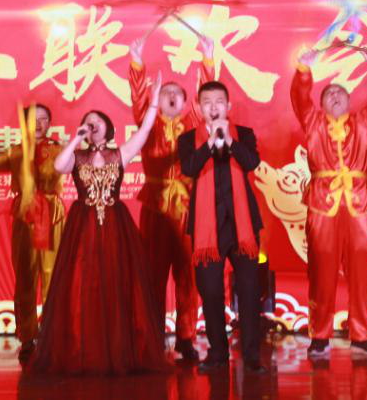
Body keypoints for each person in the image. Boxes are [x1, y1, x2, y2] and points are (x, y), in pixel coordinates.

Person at [29, 74, 173, 375]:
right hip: (82, 227)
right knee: (81, 283)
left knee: (116, 282)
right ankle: (81, 349)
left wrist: (153, 101)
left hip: (114, 226)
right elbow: (59, 166)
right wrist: (76, 138)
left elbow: (145, 131)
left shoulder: (120, 153)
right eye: (88, 121)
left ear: (108, 127)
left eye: (97, 121)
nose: (92, 124)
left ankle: (117, 349)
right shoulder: (77, 155)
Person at [292, 46, 367, 359]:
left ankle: (362, 335)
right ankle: (320, 336)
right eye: (328, 94)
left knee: (361, 272)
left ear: (349, 101)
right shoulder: (313, 123)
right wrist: (303, 71)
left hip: (358, 203)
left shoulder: (363, 122)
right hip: (323, 203)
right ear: (320, 105)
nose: (334, 96)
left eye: (340, 93)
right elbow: (299, 99)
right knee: (322, 271)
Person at [128, 35, 215, 361]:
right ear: (157, 99)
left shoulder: (193, 122)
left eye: (178, 93)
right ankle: (151, 335)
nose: (173, 97)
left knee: (187, 274)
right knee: (153, 273)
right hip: (155, 205)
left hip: (188, 207)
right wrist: (137, 62)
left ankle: (186, 337)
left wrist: (207, 58)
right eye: (166, 93)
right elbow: (139, 98)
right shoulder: (147, 123)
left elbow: (206, 96)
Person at [178, 81, 265, 373]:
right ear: (199, 108)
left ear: (228, 106)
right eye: (207, 102)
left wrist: (228, 140)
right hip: (207, 229)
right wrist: (209, 144)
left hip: (243, 226)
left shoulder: (244, 134)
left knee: (250, 291)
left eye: (218, 102)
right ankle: (217, 353)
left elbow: (251, 162)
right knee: (211, 291)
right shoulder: (189, 139)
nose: (213, 107)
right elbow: (189, 168)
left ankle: (252, 355)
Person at [0, 103, 64, 363]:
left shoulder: (59, 149)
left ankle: (53, 334)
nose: (38, 123)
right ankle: (27, 336)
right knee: (25, 277)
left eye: (44, 118)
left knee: (53, 276)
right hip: (25, 216)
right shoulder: (14, 151)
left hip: (52, 215)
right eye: (33, 119)